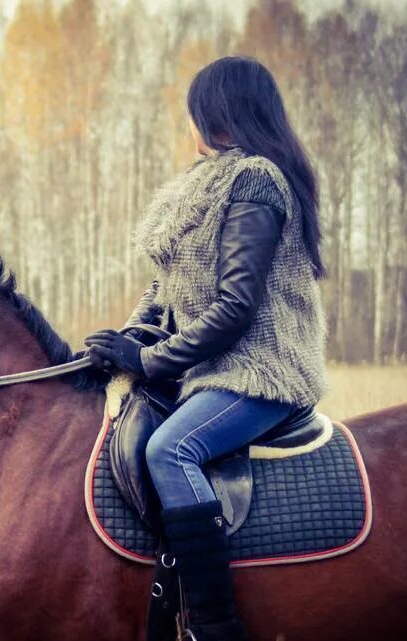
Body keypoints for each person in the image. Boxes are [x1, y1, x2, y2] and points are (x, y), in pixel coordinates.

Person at [83, 56, 328, 641]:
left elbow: (235, 307)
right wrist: (124, 339)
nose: (189, 124)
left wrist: (146, 361)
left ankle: (214, 626)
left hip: (261, 371)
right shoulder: (200, 185)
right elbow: (164, 287)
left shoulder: (256, 180)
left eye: (195, 111)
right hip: (211, 372)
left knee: (171, 450)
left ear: (218, 113)